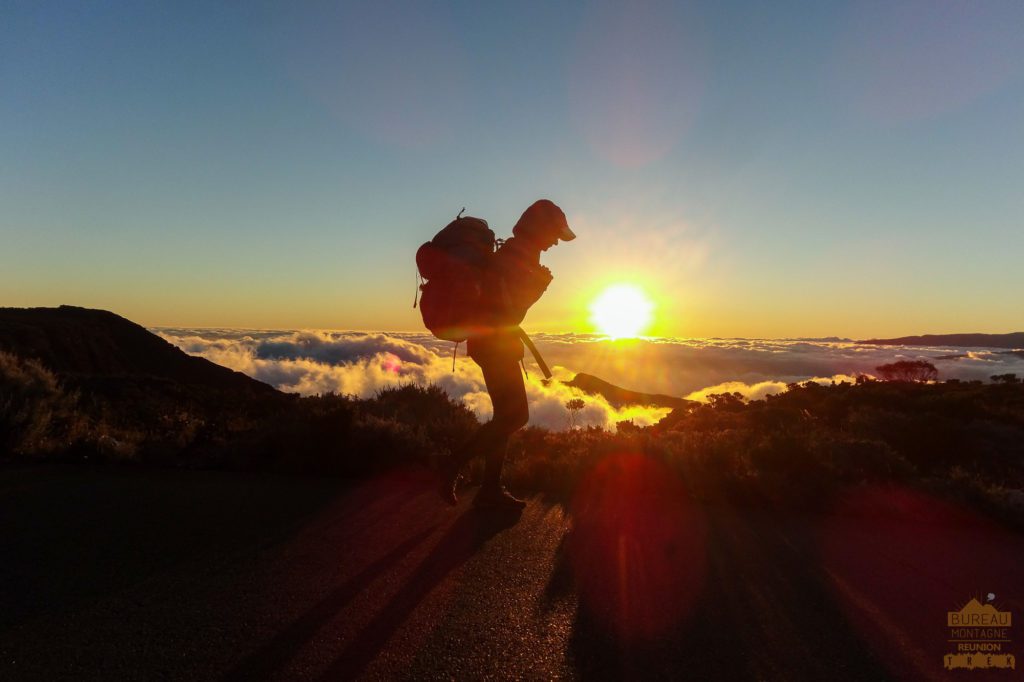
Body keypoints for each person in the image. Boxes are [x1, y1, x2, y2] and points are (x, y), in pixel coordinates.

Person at [440, 199, 576, 510]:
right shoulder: (517, 257)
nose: (555, 241)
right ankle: (451, 465)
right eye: (554, 234)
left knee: (505, 417)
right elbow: (509, 313)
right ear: (539, 230)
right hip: (494, 345)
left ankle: (490, 490)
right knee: (517, 416)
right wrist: (538, 289)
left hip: (492, 343)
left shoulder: (517, 253)